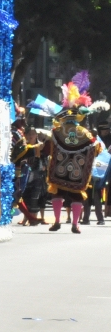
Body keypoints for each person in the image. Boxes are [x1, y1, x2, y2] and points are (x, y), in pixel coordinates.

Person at [43, 82, 97, 234]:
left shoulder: (56, 131)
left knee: (56, 193)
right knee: (77, 197)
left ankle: (57, 221)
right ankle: (75, 224)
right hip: (77, 173)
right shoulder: (85, 133)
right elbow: (95, 148)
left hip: (59, 170)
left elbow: (47, 148)